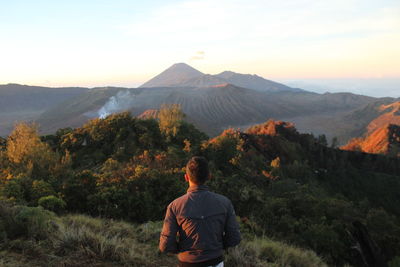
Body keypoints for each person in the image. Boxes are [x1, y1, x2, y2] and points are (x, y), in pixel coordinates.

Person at [159, 156, 241, 267]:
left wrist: (182, 249)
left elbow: (165, 245)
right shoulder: (224, 203)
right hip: (215, 262)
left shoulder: (174, 206)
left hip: (187, 263)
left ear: (186, 177)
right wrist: (217, 246)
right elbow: (234, 238)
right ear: (209, 176)